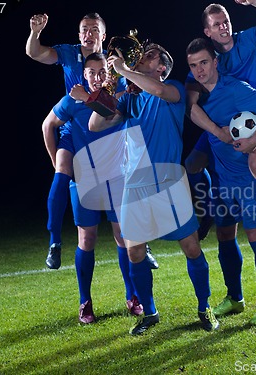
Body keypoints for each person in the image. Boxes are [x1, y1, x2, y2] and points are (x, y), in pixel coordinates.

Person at [89, 42, 219, 335]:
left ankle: (205, 307)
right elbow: (95, 124)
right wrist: (111, 84)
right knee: (134, 252)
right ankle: (149, 313)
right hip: (134, 186)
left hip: (169, 183)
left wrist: (123, 69)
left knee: (191, 247)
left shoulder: (171, 89)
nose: (140, 58)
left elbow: (158, 91)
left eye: (149, 56)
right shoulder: (130, 99)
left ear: (161, 68)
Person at [26, 12, 158, 270]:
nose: (89, 34)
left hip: (108, 135)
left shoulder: (115, 61)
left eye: (94, 30)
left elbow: (122, 100)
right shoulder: (69, 54)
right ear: (79, 35)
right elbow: (35, 53)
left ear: (103, 35)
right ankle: (55, 243)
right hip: (76, 129)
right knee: (62, 169)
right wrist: (35, 32)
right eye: (85, 29)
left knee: (131, 181)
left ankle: (142, 245)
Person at [184, 1, 256, 261]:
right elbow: (189, 106)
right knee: (192, 164)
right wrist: (216, 131)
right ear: (207, 31)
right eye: (216, 24)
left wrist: (254, 1)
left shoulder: (249, 40)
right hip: (227, 125)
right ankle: (209, 209)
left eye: (225, 21)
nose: (223, 26)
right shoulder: (208, 59)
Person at [42, 52, 146, 322]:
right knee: (86, 240)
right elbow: (48, 125)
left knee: (123, 237)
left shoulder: (120, 95)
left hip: (117, 177)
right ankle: (85, 302)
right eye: (92, 73)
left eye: (103, 72)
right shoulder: (71, 101)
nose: (98, 77)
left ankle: (132, 296)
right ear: (84, 76)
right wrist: (57, 162)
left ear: (109, 74)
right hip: (85, 180)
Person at [186, 37, 256, 324]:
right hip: (222, 181)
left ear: (215, 62)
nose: (200, 69)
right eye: (194, 65)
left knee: (255, 237)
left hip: (245, 181)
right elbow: (191, 112)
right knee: (224, 236)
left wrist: (254, 139)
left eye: (204, 62)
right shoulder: (198, 95)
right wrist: (218, 132)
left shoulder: (236, 89)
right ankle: (235, 298)